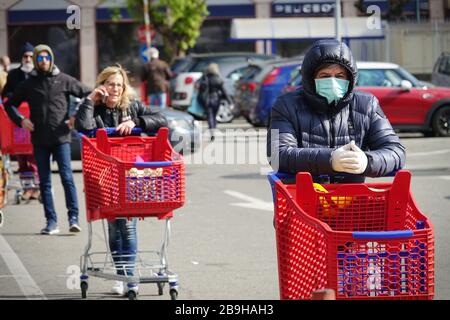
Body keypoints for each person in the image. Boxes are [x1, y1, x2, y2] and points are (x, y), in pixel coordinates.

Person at [75, 65, 168, 296]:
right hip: (104, 175)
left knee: (127, 227)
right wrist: (90, 99)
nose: (115, 88)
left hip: (130, 176)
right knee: (114, 228)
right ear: (102, 85)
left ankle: (128, 278)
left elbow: (161, 119)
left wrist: (136, 125)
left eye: (119, 84)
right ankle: (121, 275)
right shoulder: (94, 108)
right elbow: (83, 128)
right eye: (111, 84)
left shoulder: (132, 106)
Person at [267, 39, 405, 183]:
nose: (332, 82)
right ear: (310, 78)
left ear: (350, 78)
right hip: (302, 198)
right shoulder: (287, 105)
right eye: (325, 76)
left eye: (339, 76)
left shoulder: (366, 104)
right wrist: (330, 159)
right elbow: (278, 154)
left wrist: (367, 161)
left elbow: (395, 151)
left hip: (353, 199)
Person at [4, 44, 90, 235]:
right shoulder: (28, 83)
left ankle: (73, 218)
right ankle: (51, 222)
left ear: (51, 59)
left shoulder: (64, 80)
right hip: (40, 139)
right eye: (40, 58)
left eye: (47, 58)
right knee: (44, 182)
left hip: (62, 138)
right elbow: (10, 105)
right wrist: (21, 120)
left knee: (67, 178)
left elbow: (88, 94)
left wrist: (76, 115)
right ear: (36, 60)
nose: (44, 61)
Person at [2, 42, 40, 201]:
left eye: (31, 56)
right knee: (21, 156)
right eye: (26, 56)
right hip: (19, 121)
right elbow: (7, 93)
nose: (28, 59)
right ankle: (26, 188)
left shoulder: (39, 73)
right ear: (22, 57)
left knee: (33, 156)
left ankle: (36, 188)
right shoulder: (14, 74)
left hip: (34, 120)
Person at [197, 63, 232, 141]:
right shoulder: (218, 79)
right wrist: (230, 102)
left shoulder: (204, 78)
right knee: (214, 115)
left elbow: (200, 90)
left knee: (210, 116)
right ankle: (213, 129)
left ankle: (211, 130)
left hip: (206, 100)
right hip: (216, 100)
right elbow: (224, 91)